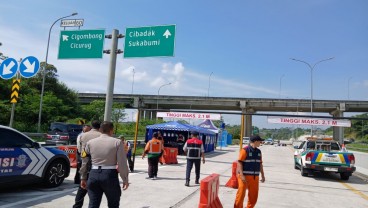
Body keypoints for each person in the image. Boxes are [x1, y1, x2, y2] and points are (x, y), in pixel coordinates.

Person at [80, 121, 129, 208]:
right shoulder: (117, 142)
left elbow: (85, 160)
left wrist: (83, 177)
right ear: (111, 130)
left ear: (100, 130)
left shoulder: (90, 143)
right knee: (113, 204)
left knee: (93, 204)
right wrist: (125, 179)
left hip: (93, 174)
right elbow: (122, 162)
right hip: (109, 175)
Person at [73, 120, 101, 208]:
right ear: (100, 127)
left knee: (82, 187)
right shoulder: (102, 136)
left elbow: (79, 149)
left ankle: (77, 206)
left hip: (85, 161)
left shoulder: (82, 135)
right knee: (95, 191)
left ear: (91, 126)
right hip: (97, 164)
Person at [234, 135, 266, 208]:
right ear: (255, 142)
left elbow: (260, 163)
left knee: (254, 195)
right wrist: (242, 175)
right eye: (260, 141)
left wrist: (263, 175)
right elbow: (239, 162)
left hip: (255, 177)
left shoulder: (258, 151)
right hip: (244, 176)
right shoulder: (245, 150)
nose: (261, 143)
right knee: (241, 194)